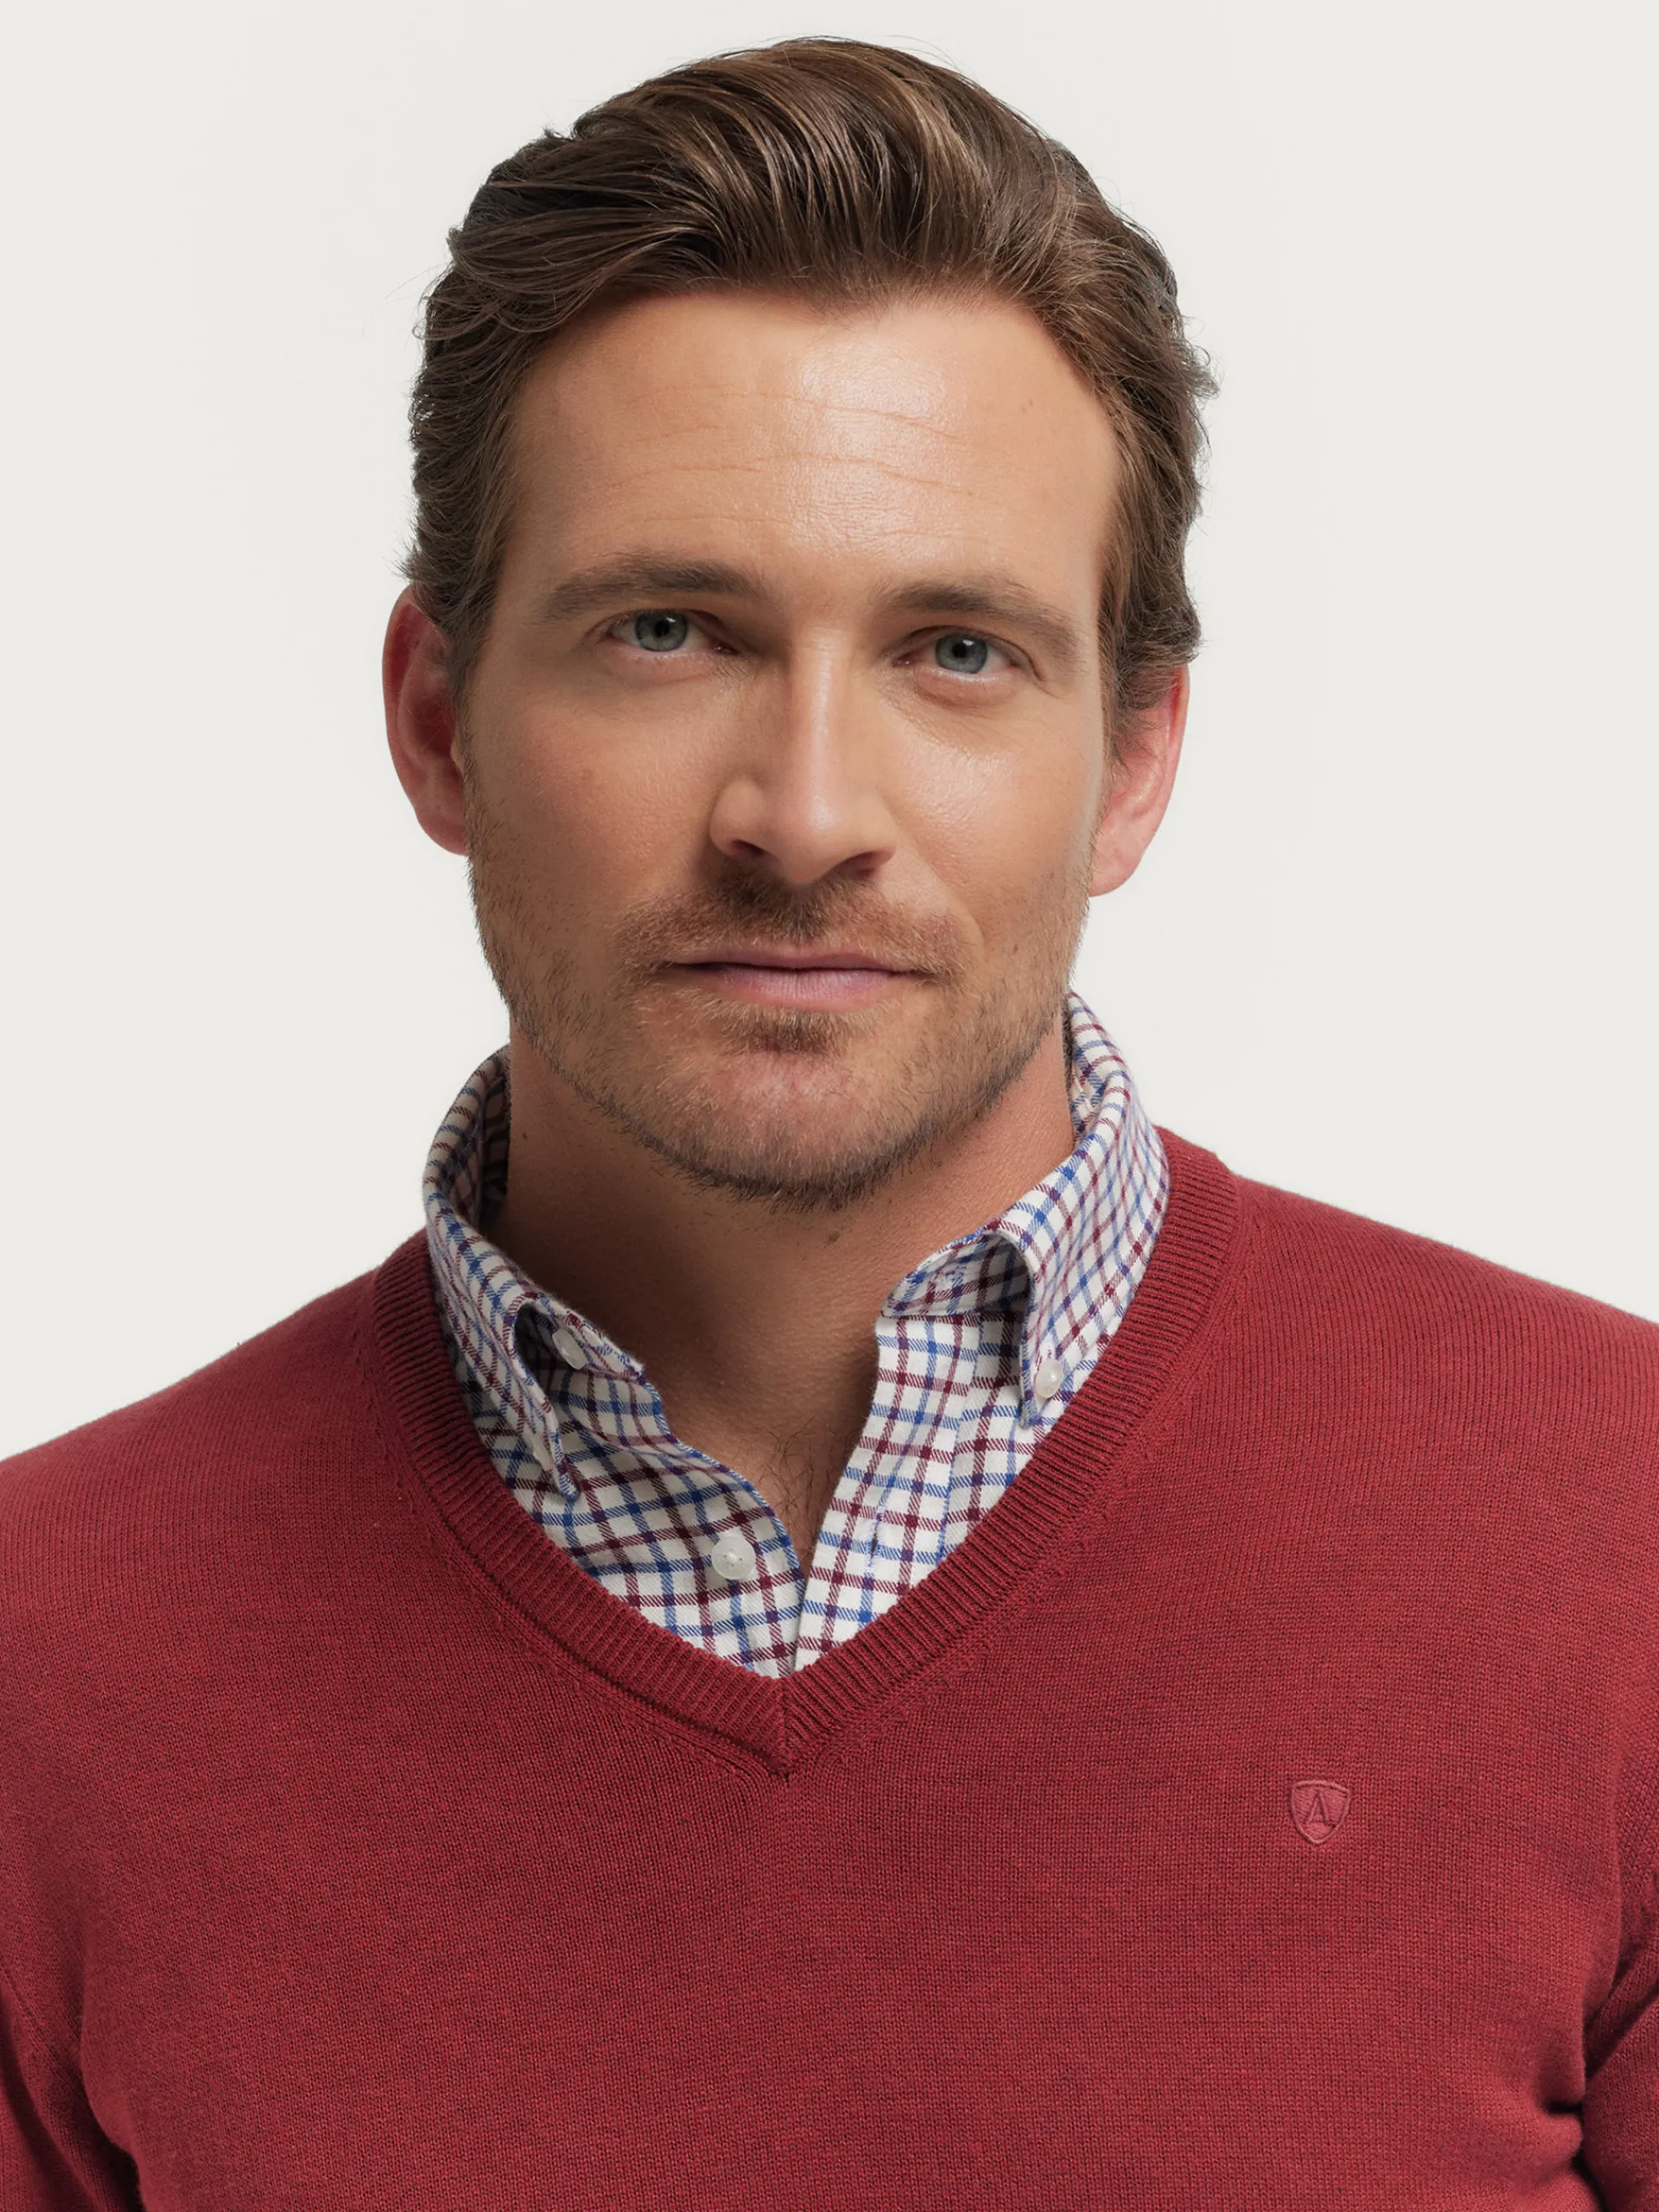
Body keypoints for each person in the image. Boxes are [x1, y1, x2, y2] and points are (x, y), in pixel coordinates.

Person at [2, 35, 1654, 2210]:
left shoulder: (1617, 1536)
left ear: (1135, 757)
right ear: (440, 719)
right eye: (667, 631)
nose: (802, 815)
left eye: (954, 650)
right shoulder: (47, 1664)